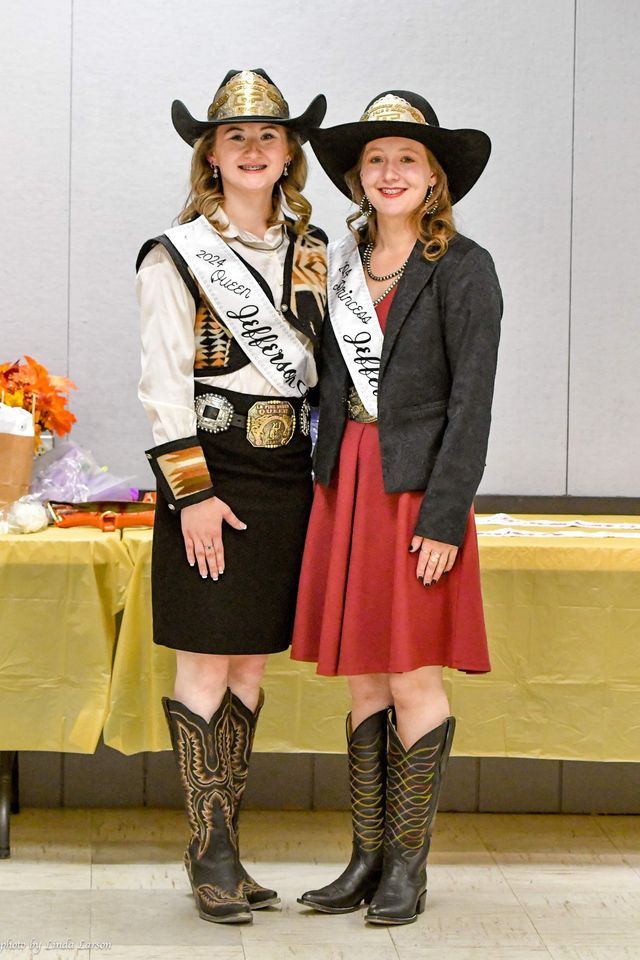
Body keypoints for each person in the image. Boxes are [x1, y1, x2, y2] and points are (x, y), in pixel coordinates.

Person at [292, 90, 502, 926]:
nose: (389, 172)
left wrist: (445, 517)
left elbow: (472, 405)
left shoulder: (463, 267)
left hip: (415, 494)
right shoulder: (340, 268)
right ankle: (366, 859)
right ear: (356, 176)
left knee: (413, 675)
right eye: (375, 159)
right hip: (347, 486)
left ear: (434, 177)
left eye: (407, 159)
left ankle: (408, 869)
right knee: (365, 681)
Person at [136, 69, 328, 924]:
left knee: (250, 661)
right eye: (235, 137)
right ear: (210, 155)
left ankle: (225, 845)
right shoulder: (175, 255)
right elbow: (161, 385)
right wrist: (193, 498)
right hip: (208, 472)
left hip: (286, 477)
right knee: (206, 659)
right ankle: (210, 852)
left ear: (289, 155)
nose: (253, 150)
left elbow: (326, 372)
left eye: (269, 136)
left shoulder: (316, 250)